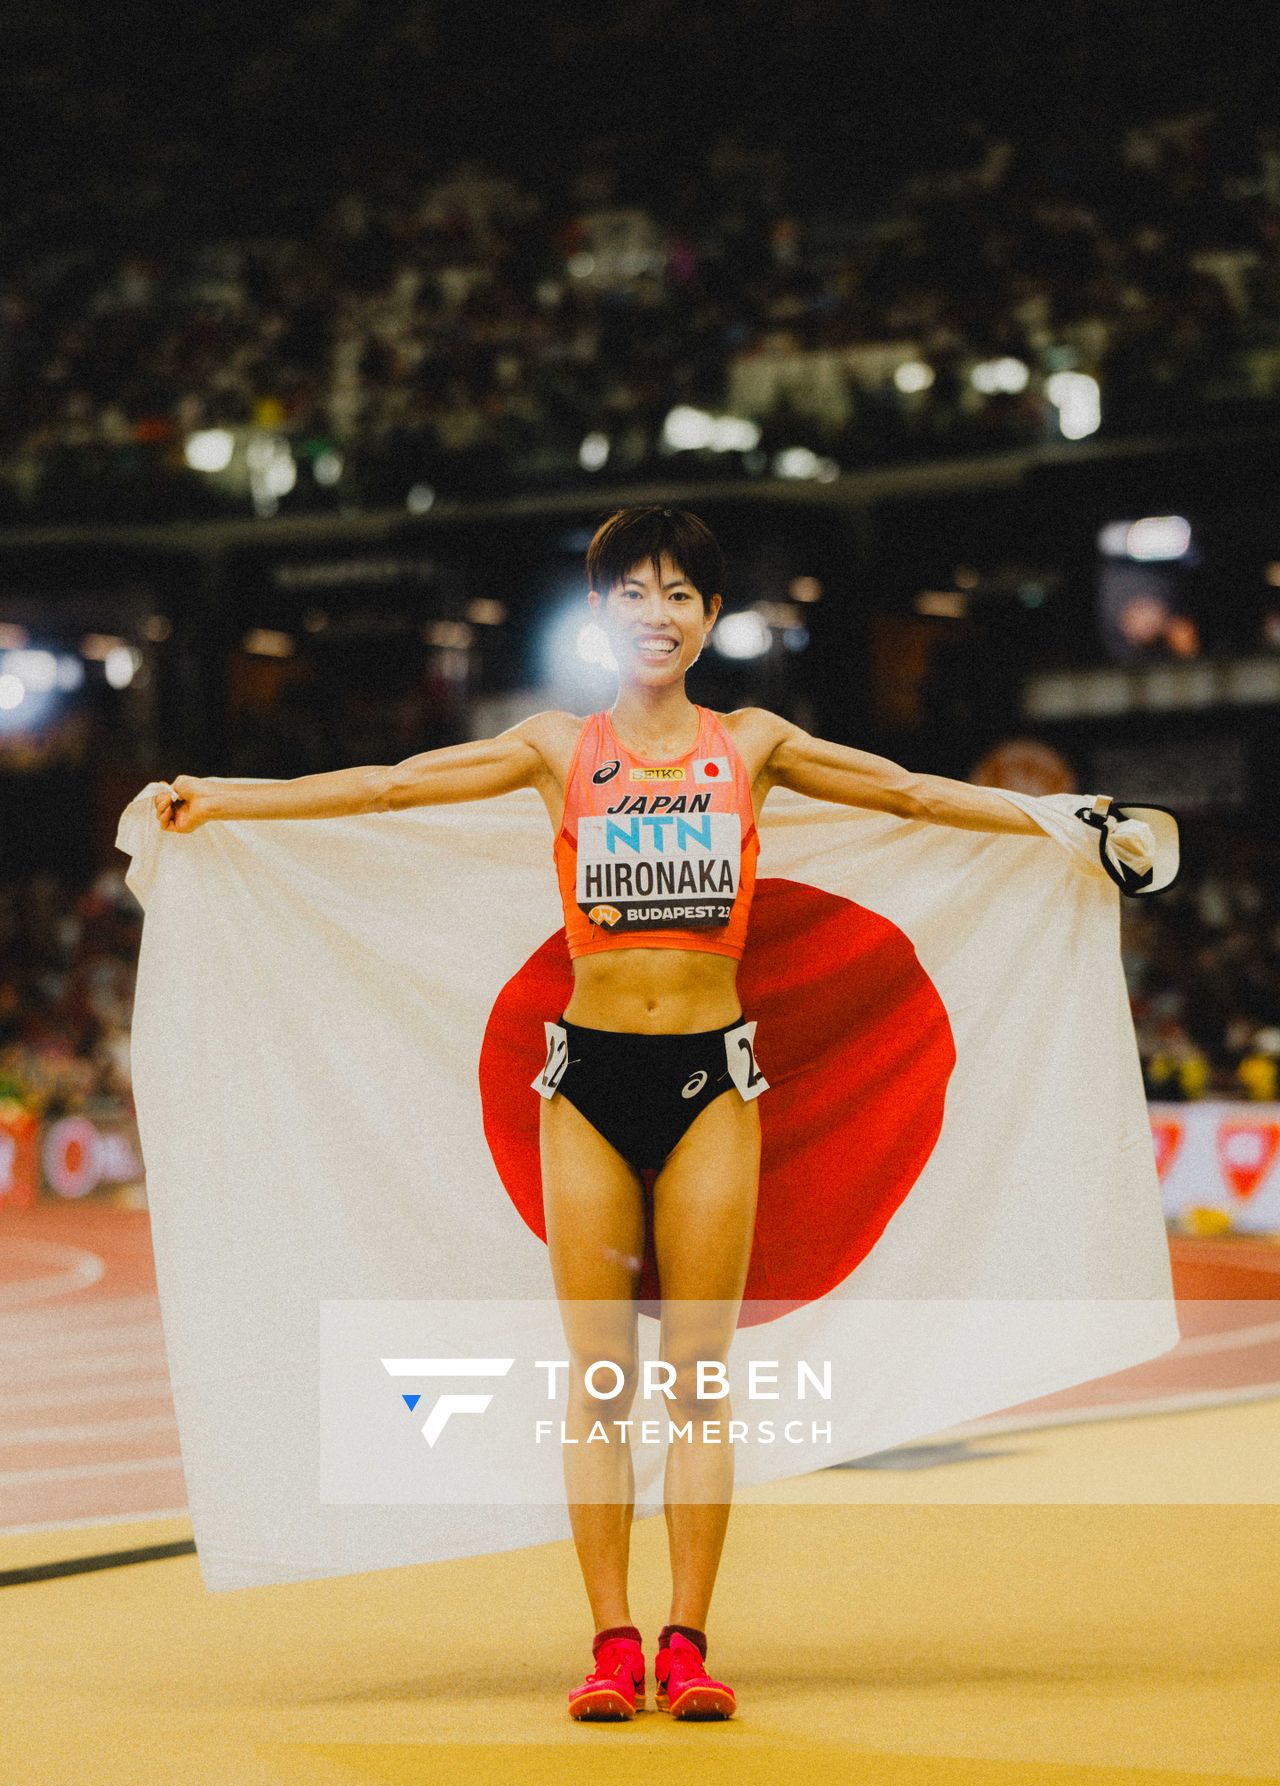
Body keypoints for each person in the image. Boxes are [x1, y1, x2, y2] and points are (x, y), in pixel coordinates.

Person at [155, 505, 1153, 1723]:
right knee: (594, 1383)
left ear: (711, 619)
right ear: (600, 615)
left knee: (693, 1383)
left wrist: (1062, 825)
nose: (657, 609)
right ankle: (607, 1644)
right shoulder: (550, 749)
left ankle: (687, 1641)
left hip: (709, 1086)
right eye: (634, 589)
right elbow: (386, 788)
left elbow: (902, 796)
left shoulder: (756, 745)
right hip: (583, 1087)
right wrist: (227, 800)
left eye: (681, 591)